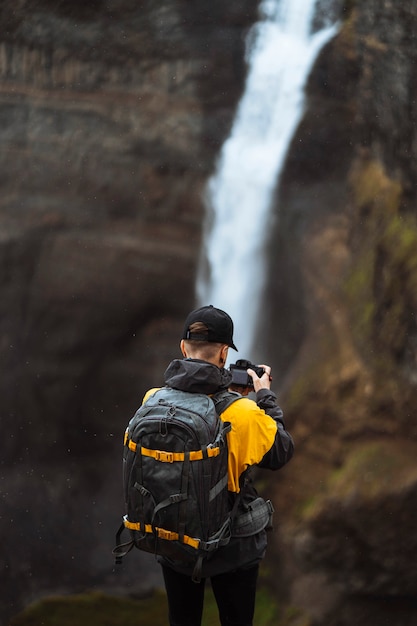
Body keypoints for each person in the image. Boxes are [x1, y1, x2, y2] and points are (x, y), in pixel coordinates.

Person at [142, 305, 294, 626]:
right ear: (224, 353)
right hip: (231, 547)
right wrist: (263, 396)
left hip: (174, 535)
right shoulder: (244, 414)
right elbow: (281, 451)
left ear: (183, 347)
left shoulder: (152, 399)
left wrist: (228, 394)